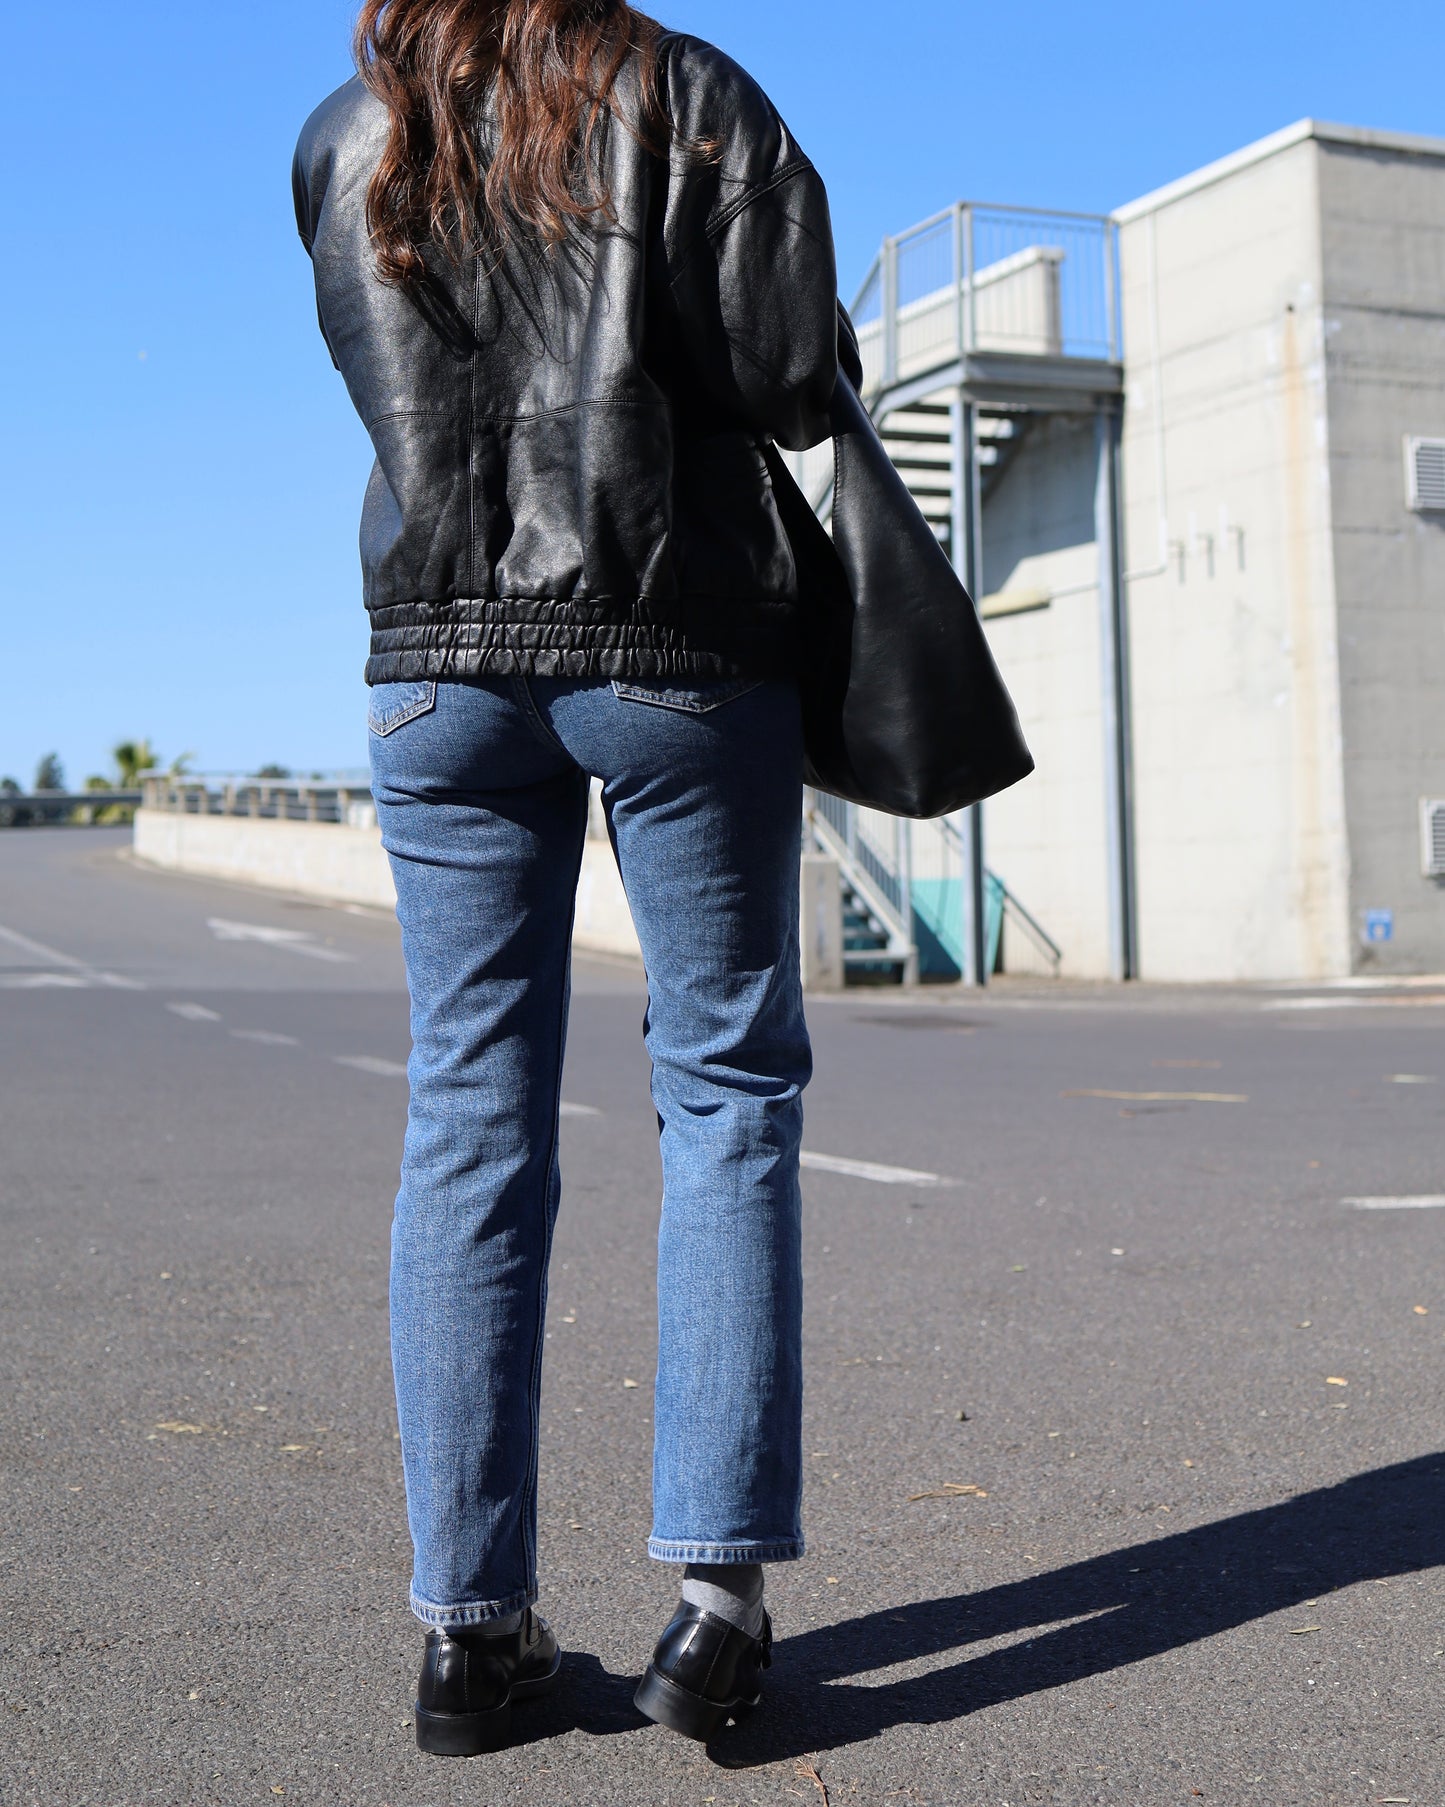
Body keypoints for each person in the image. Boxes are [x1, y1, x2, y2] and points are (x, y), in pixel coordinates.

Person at [293, 0, 840, 1756]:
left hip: (433, 655)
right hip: (669, 629)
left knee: (465, 1111)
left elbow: (379, 367)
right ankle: (713, 1615)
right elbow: (779, 375)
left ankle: (470, 1637)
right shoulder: (686, 94)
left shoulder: (350, 132)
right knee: (728, 1094)